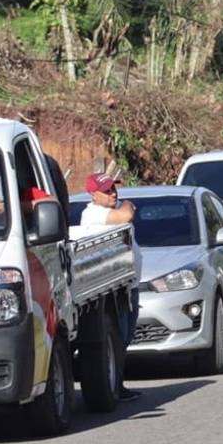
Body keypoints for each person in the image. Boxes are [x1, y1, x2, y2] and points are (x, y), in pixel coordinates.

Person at [80, 172, 142, 402]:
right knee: (119, 337)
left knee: (125, 337)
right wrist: (128, 204)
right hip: (115, 287)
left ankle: (119, 383)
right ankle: (115, 385)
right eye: (106, 191)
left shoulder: (109, 209)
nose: (113, 194)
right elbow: (127, 214)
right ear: (93, 195)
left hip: (128, 284)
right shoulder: (93, 214)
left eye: (113, 189)